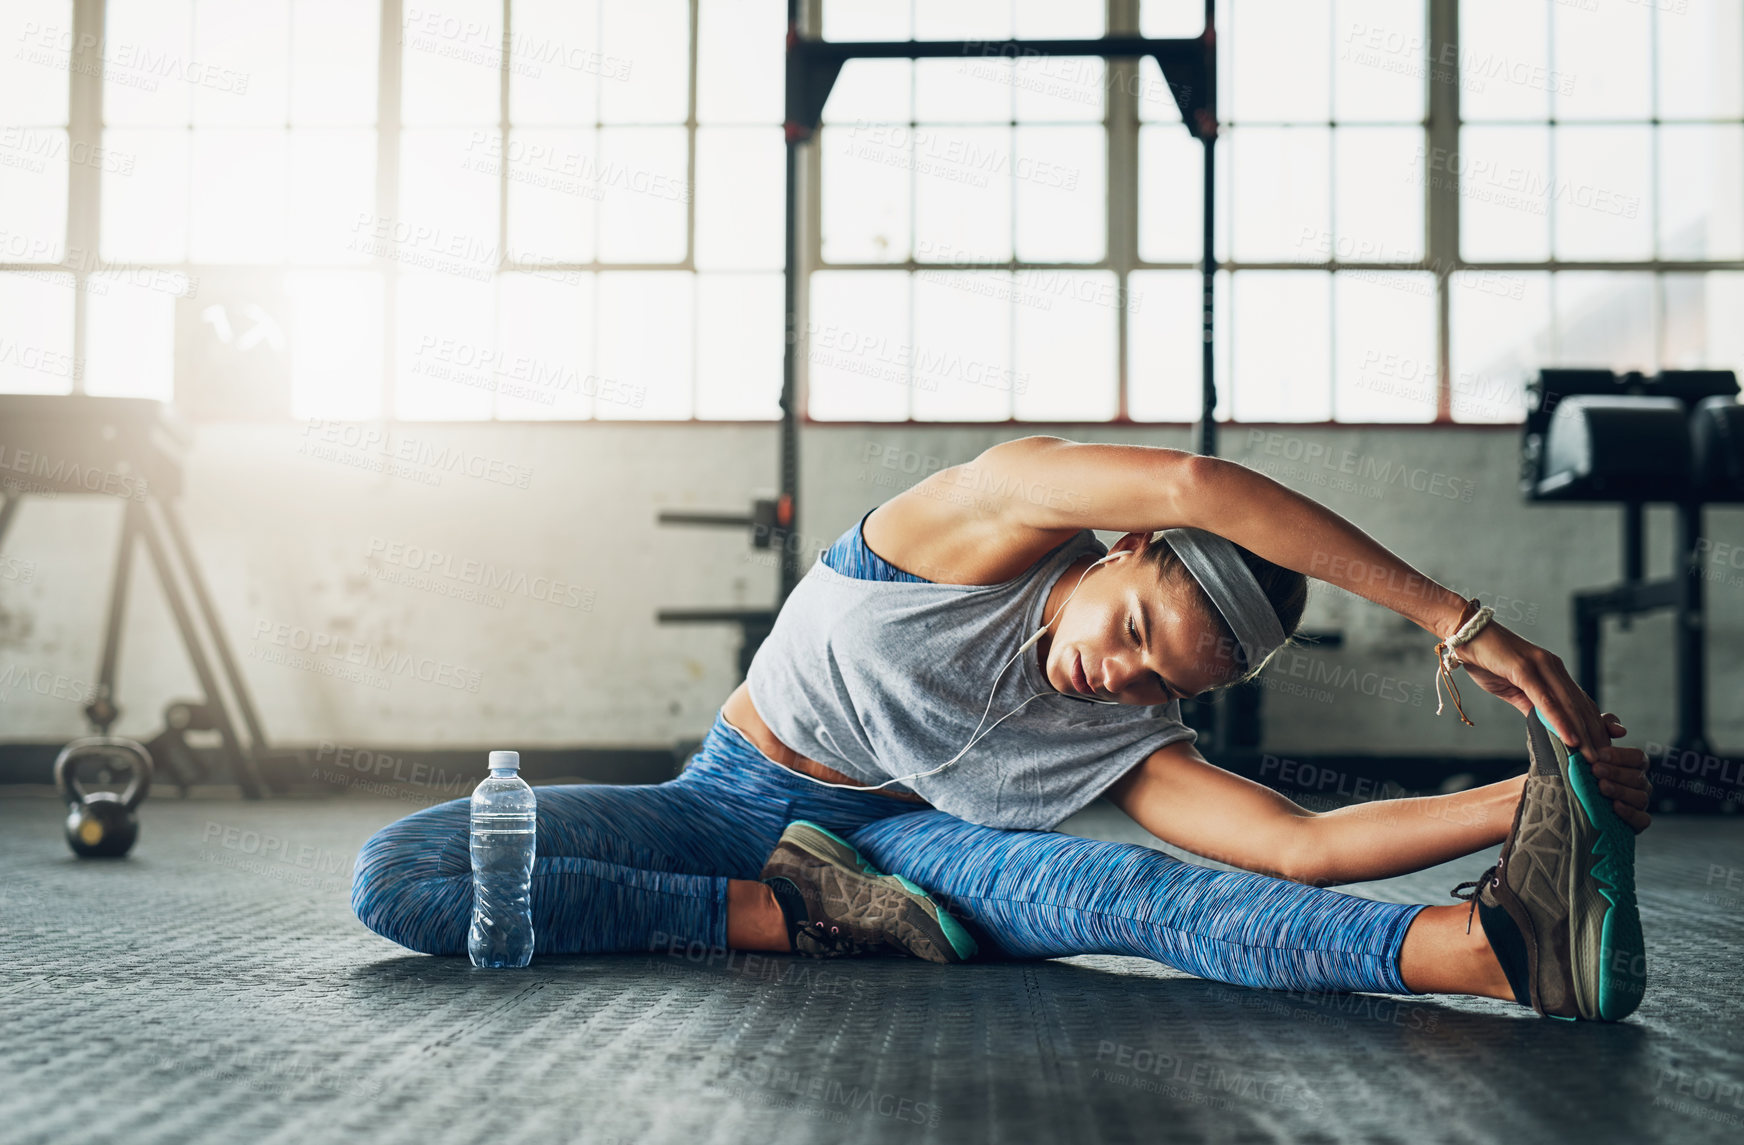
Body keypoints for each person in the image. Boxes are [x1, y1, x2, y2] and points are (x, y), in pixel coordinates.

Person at [352, 437, 1653, 1020]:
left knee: (1142, 895)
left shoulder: (1114, 725)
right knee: (402, 873)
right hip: (728, 801)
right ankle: (791, 919)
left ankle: (1497, 953)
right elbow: (1198, 479)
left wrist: (1538, 797)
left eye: (1161, 685)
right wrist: (1454, 617)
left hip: (906, 855)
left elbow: (1294, 849)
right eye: (1133, 629)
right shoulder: (984, 517)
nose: (1118, 679)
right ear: (1124, 548)